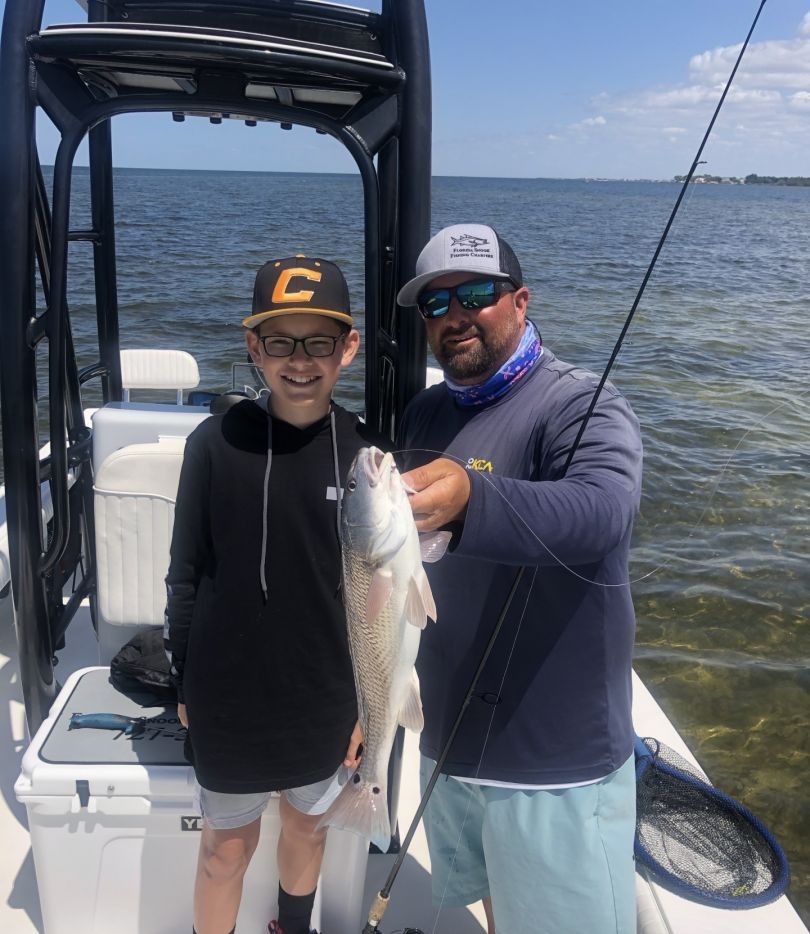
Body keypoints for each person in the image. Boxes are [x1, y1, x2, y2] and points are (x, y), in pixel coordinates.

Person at [396, 224, 642, 934]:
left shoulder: (579, 404)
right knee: (499, 907)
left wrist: (477, 498)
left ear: (521, 301)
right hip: (449, 737)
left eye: (476, 294)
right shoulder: (427, 409)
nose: (455, 315)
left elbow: (602, 512)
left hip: (550, 759)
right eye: (435, 304)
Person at [165, 256, 383, 934]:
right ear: (253, 347)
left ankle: (290, 927)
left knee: (306, 832)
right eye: (280, 342)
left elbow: (379, 597)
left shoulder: (366, 456)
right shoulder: (212, 444)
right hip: (226, 697)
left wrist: (366, 707)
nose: (299, 361)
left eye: (318, 342)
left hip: (324, 695)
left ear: (348, 348)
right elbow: (184, 573)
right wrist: (183, 682)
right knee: (224, 852)